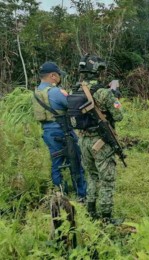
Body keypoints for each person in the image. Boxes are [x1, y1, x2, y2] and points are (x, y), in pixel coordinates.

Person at [74, 54, 124, 223]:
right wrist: (115, 97)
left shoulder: (77, 89)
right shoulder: (104, 92)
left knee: (92, 176)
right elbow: (119, 116)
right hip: (100, 142)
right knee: (107, 179)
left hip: (83, 140)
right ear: (97, 70)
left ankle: (91, 211)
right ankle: (106, 217)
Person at [32, 61, 87, 200]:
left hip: (48, 132)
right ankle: (82, 194)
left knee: (56, 163)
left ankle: (59, 194)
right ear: (53, 76)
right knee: (76, 160)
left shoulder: (37, 92)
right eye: (58, 75)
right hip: (63, 131)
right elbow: (74, 104)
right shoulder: (55, 92)